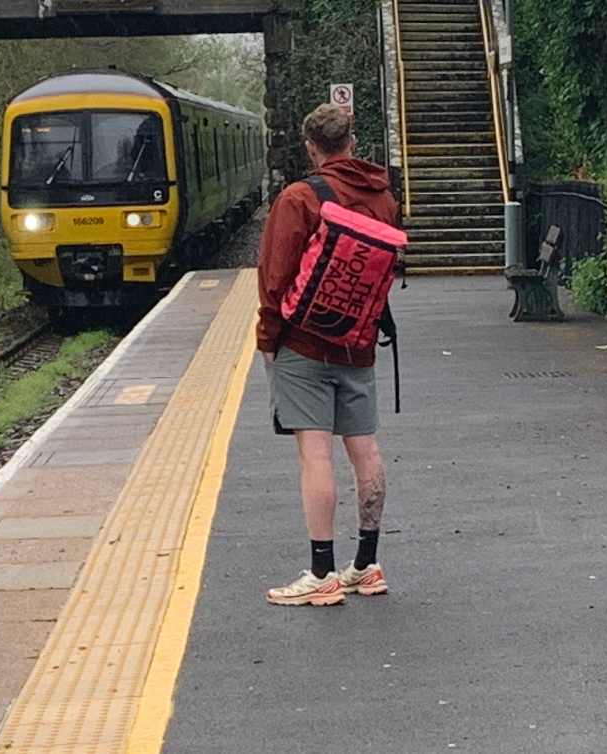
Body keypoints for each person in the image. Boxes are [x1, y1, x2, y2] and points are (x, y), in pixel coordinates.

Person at [256, 103, 398, 606]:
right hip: (359, 344)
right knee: (366, 451)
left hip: (304, 345)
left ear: (311, 148)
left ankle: (321, 574)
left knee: (315, 456)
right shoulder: (383, 197)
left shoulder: (300, 197)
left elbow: (274, 279)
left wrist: (268, 339)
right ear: (352, 143)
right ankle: (367, 565)